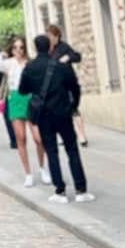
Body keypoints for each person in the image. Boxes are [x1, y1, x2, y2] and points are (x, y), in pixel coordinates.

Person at [19, 35, 93, 204]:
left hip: (44, 116)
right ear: (50, 48)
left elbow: (23, 90)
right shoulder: (61, 67)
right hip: (63, 112)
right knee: (72, 150)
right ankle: (81, 190)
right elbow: (75, 87)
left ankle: (60, 191)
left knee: (51, 151)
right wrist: (74, 105)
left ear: (35, 48)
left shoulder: (30, 67)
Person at [0, 35, 47, 188]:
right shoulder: (8, 63)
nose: (18, 50)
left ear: (25, 49)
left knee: (38, 138)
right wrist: (3, 52)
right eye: (15, 47)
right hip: (15, 99)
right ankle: (28, 173)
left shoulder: (29, 63)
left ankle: (43, 168)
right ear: (12, 48)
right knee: (21, 137)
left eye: (21, 47)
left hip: (29, 99)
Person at [46, 23, 88, 146]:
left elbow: (77, 56)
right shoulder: (47, 50)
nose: (49, 39)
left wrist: (68, 57)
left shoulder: (64, 47)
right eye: (47, 36)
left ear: (57, 36)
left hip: (67, 83)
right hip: (54, 85)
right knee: (57, 111)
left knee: (73, 109)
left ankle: (82, 136)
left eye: (50, 36)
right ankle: (63, 135)